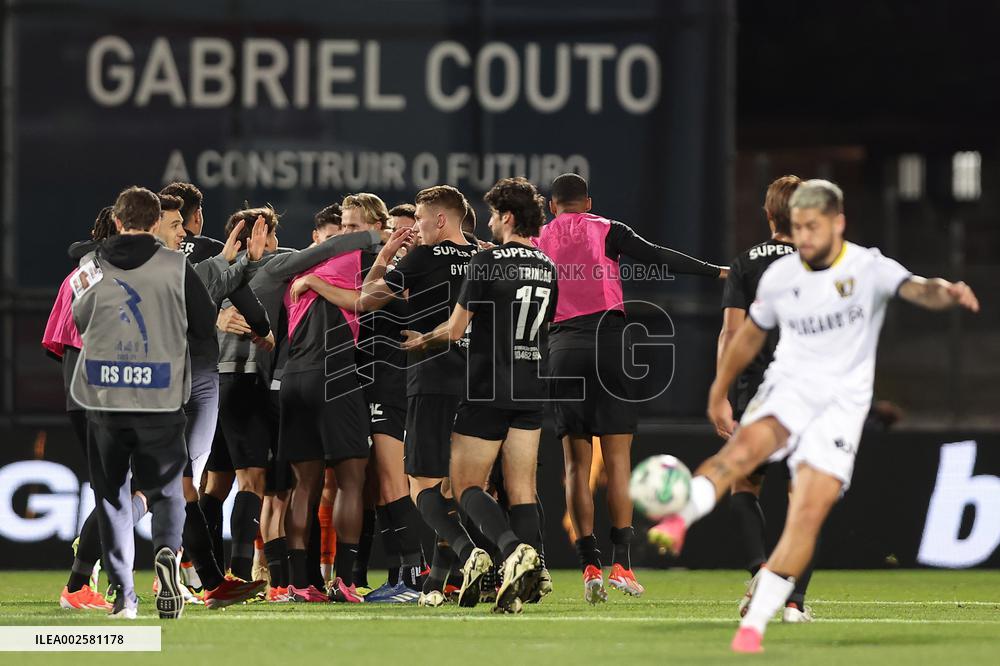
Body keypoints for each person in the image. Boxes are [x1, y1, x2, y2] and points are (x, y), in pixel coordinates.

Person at [648, 179, 980, 653]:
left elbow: (918, 289)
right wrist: (718, 388)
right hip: (789, 388)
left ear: (837, 223)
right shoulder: (782, 276)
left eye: (812, 227)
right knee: (741, 453)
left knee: (805, 515)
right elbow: (745, 336)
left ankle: (758, 621)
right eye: (798, 227)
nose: (803, 237)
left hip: (840, 408)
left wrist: (946, 291)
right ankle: (680, 517)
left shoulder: (868, 267)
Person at [535, 173, 728, 603]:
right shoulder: (607, 229)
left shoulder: (538, 240)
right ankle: (621, 563)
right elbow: (659, 256)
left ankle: (588, 565)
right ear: (587, 202)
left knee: (575, 467)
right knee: (618, 461)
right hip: (608, 345)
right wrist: (714, 271)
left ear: (552, 206)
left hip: (561, 349)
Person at [402, 177, 556, 613]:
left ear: (506, 217)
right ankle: (527, 576)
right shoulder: (546, 265)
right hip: (531, 385)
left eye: (492, 214)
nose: (487, 222)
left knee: (467, 484)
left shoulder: (486, 263)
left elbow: (454, 331)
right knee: (522, 488)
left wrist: (420, 343)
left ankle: (511, 552)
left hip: (487, 385)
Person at [69, 186, 214, 619]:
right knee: (167, 490)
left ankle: (124, 597)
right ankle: (167, 551)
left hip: (106, 395)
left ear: (116, 221)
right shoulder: (175, 264)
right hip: (160, 394)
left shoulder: (90, 264)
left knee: (112, 496)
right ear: (156, 223)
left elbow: (80, 319)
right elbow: (205, 326)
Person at [359, 185, 478, 608]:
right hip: (481, 385)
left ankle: (470, 556)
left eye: (423, 220)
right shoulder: (484, 255)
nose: (419, 229)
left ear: (441, 220)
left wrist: (385, 255)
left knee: (420, 486)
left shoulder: (423, 257)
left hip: (432, 379)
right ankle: (438, 583)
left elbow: (365, 299)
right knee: (457, 487)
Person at [717, 175, 816, 623]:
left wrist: (720, 393)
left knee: (744, 485)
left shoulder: (746, 262)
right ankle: (793, 601)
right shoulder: (820, 261)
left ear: (768, 214)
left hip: (754, 390)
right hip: (807, 387)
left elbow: (731, 332)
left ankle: (760, 571)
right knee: (806, 497)